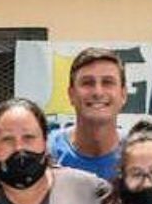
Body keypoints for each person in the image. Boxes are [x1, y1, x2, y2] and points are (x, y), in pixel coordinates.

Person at [48, 47, 127, 179]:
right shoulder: (48, 153)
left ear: (123, 94)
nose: (98, 92)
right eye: (87, 83)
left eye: (108, 82)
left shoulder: (139, 153)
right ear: (71, 94)